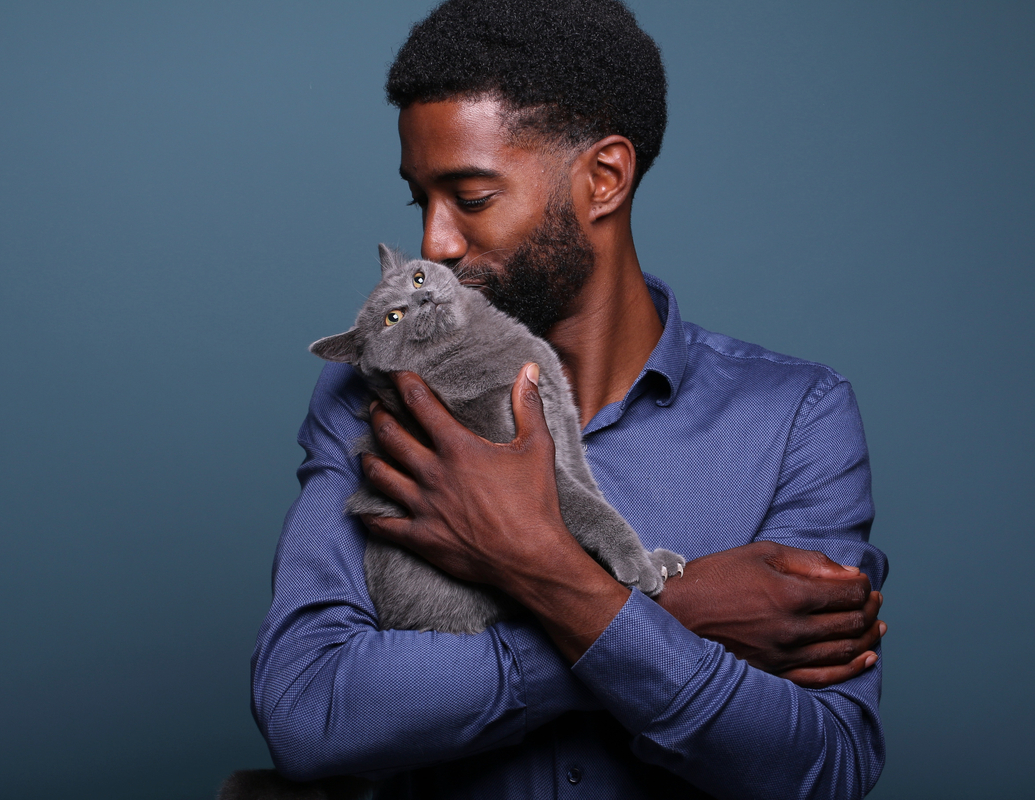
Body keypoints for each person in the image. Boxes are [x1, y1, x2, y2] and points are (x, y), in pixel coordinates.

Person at [251, 1, 888, 797]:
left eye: (472, 197)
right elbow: (307, 713)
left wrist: (543, 571)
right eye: (423, 201)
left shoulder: (796, 419)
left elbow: (823, 767)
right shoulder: (374, 394)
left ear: (604, 178)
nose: (437, 245)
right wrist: (677, 607)